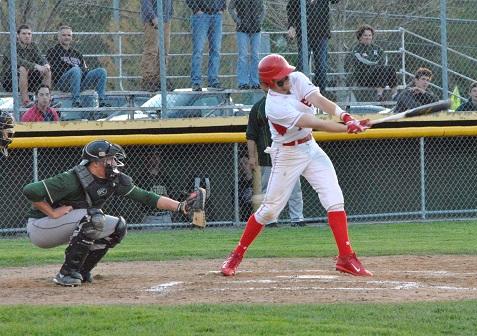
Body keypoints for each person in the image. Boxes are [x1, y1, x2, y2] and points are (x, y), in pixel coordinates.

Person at [220, 54, 372, 277]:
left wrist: (346, 117)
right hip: (287, 154)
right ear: (268, 84)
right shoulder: (274, 106)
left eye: (287, 76)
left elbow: (320, 101)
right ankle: (236, 254)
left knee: (334, 198)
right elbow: (314, 122)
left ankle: (346, 258)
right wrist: (346, 128)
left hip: (310, 147)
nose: (287, 81)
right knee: (270, 211)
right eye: (281, 81)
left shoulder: (297, 78)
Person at [23, 139, 206, 287]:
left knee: (118, 226)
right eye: (109, 159)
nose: (114, 163)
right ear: (95, 163)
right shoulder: (71, 179)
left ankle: (81, 270)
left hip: (70, 222)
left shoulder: (114, 179)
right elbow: (30, 190)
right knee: (94, 218)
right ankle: (66, 273)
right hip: (42, 227)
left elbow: (146, 197)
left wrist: (181, 206)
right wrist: (53, 212)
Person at [246, 86, 305, 227]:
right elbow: (251, 135)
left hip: (289, 154)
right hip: (268, 157)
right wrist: (252, 157)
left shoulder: (288, 103)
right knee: (269, 191)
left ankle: (297, 219)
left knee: (295, 189)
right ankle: (270, 220)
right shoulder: (259, 107)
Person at [46, 25, 110, 108]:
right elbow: (55, 70)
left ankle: (101, 101)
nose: (67, 37)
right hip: (63, 83)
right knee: (76, 70)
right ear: (58, 37)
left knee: (101, 71)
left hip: (80, 82)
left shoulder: (77, 53)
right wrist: (73, 69)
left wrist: (79, 71)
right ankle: (76, 101)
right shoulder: (52, 51)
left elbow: (85, 69)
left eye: (69, 35)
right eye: (64, 35)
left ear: (72, 37)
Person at [287, 0, 338, 95]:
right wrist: (291, 26)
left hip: (321, 34)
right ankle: (300, 91)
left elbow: (335, 1)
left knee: (321, 66)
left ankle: (319, 93)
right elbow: (290, 8)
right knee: (302, 64)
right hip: (304, 34)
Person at [1, 24, 51, 107]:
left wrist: (46, 64)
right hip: (11, 80)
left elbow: (40, 57)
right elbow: (18, 60)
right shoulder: (11, 46)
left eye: (29, 34)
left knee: (47, 71)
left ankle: (46, 100)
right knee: (23, 68)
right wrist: (36, 66)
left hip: (29, 79)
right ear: (18, 35)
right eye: (24, 34)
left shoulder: (33, 45)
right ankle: (26, 101)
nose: (27, 36)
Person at [349, 24, 398, 101]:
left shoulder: (376, 48)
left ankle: (394, 94)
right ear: (360, 37)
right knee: (380, 68)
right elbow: (363, 61)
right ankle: (379, 94)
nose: (368, 37)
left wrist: (377, 63)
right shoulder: (356, 49)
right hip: (364, 78)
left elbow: (384, 58)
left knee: (391, 68)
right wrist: (377, 63)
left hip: (378, 75)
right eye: (365, 35)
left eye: (370, 35)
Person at [186, 0, 226, 91]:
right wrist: (196, 9)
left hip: (216, 15)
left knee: (216, 50)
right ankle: (196, 82)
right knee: (198, 51)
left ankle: (213, 81)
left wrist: (222, 8)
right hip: (201, 15)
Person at [228, 0, 264, 90]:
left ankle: (255, 82)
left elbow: (263, 8)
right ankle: (243, 83)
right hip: (242, 29)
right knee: (243, 56)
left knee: (255, 55)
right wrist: (238, 21)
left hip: (256, 28)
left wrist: (259, 21)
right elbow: (230, 8)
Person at [140, 0, 174, 92]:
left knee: (164, 50)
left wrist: (170, 14)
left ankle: (160, 78)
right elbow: (145, 2)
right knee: (151, 50)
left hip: (166, 19)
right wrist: (152, 17)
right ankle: (148, 79)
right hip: (152, 20)